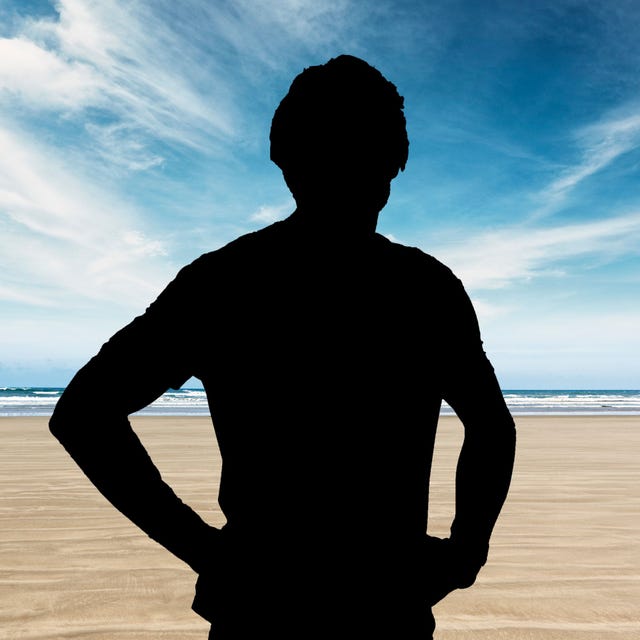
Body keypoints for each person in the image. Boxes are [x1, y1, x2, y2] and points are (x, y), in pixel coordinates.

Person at [50, 54, 516, 639]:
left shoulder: (223, 282)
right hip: (379, 605)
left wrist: (203, 548)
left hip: (262, 603)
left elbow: (83, 413)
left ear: (283, 157)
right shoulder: (424, 288)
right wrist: (465, 551)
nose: (356, 169)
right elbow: (492, 426)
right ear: (398, 162)